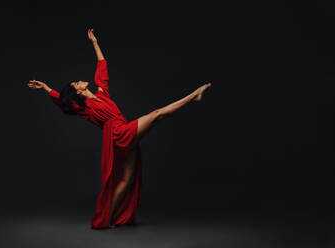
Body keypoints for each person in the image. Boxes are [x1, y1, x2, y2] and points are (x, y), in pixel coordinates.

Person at [27, 29, 211, 229]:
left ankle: (108, 219)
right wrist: (47, 88)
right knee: (158, 114)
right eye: (76, 82)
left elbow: (102, 67)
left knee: (127, 179)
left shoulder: (102, 93)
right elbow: (62, 101)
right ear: (78, 90)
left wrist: (95, 43)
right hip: (117, 134)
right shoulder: (84, 108)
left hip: (120, 132)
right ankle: (194, 95)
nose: (79, 80)